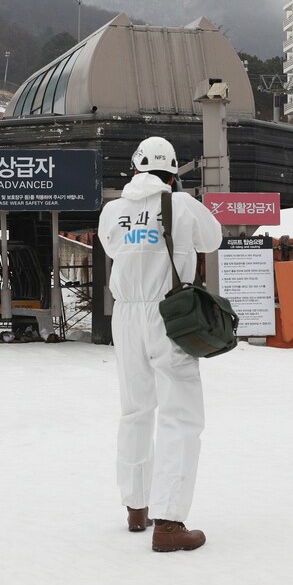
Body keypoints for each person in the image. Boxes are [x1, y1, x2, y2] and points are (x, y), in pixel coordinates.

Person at [97, 136, 222, 552]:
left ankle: (136, 506)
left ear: (135, 169)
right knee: (180, 416)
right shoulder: (182, 206)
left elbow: (113, 246)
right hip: (170, 314)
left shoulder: (113, 212)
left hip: (126, 314)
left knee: (135, 409)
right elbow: (214, 239)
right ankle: (169, 523)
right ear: (172, 173)